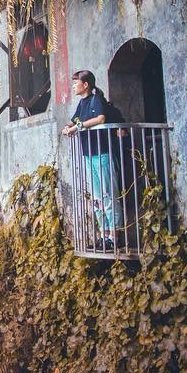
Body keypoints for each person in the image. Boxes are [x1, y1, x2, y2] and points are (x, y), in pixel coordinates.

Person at [62, 70, 118, 250]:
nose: (73, 86)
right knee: (97, 198)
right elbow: (74, 121)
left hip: (102, 153)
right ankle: (104, 235)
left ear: (85, 85)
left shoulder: (96, 100)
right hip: (88, 155)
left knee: (108, 195)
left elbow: (100, 118)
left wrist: (78, 127)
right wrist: (67, 127)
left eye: (75, 83)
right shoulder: (82, 103)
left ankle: (115, 236)